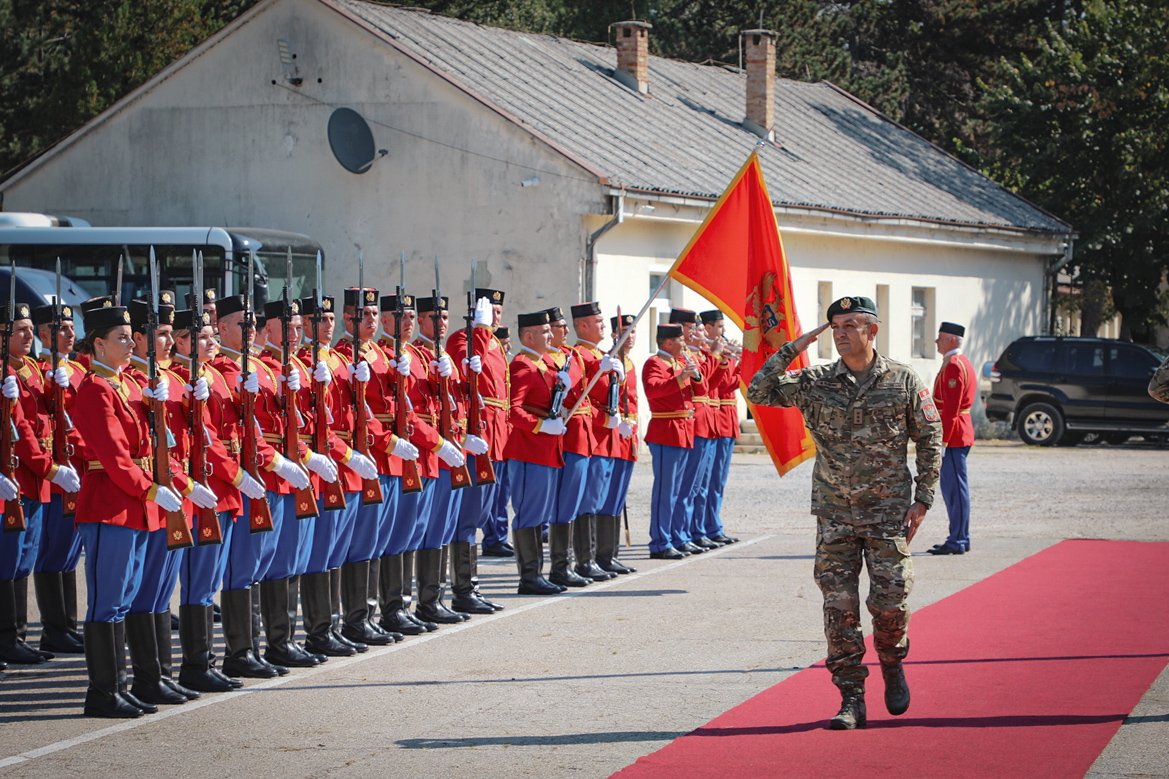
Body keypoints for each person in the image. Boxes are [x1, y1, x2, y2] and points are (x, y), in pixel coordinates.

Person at [746, 295, 942, 730]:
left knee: (890, 604)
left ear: (872, 330)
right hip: (834, 514)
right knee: (840, 609)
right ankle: (851, 697)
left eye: (851, 324)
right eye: (835, 325)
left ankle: (892, 660)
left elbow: (931, 437)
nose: (841, 333)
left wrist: (923, 498)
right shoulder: (816, 381)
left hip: (888, 514)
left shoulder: (903, 380)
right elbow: (758, 390)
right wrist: (795, 346)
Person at [505, 310, 567, 595]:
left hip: (545, 448)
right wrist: (542, 425)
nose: (550, 335)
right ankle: (529, 577)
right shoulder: (522, 365)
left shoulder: (543, 365)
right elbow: (513, 411)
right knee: (529, 513)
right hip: (529, 449)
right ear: (528, 336)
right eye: (544, 331)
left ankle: (537, 574)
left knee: (538, 513)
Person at [642, 322, 702, 560]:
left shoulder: (679, 362)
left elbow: (700, 391)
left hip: (683, 429)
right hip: (666, 429)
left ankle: (676, 536)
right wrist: (681, 377)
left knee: (679, 490)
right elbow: (654, 390)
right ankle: (660, 541)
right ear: (667, 342)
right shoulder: (654, 363)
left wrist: (695, 375)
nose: (684, 343)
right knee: (665, 491)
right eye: (680, 339)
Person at [929, 322, 975, 555]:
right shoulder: (957, 362)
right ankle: (959, 537)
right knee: (954, 489)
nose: (936, 342)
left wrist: (943, 442)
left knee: (955, 490)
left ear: (952, 340)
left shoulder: (954, 366)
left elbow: (951, 410)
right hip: (957, 432)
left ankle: (958, 539)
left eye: (941, 338)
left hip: (954, 435)